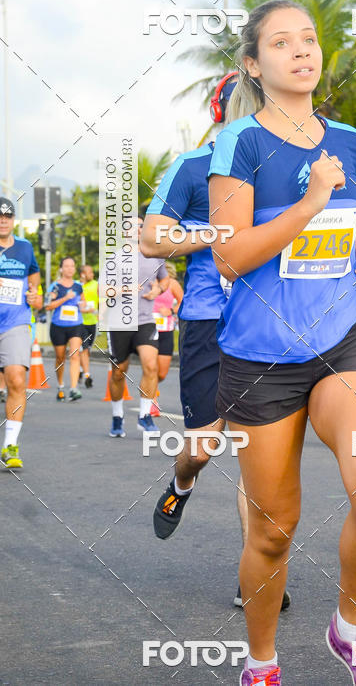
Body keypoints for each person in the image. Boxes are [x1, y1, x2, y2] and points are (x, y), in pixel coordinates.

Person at [207, 0, 356, 685]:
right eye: (281, 43)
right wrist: (310, 202)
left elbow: (335, 236)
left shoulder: (347, 139)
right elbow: (230, 257)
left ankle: (351, 627)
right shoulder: (240, 144)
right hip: (260, 359)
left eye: (310, 39)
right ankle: (261, 663)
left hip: (342, 338)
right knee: (272, 531)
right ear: (254, 66)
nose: (301, 51)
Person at [142, 72, 291, 612]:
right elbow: (152, 238)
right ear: (221, 111)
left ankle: (259, 572)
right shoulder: (190, 168)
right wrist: (216, 233)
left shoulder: (282, 166)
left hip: (264, 321)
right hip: (207, 320)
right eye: (246, 102)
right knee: (202, 449)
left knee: (259, 454)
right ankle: (180, 486)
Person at [104, 217, 169, 437]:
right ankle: (117, 416)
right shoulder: (114, 258)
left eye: (141, 225)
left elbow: (165, 280)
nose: (137, 229)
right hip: (119, 322)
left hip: (145, 320)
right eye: (132, 225)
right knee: (118, 372)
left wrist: (158, 291)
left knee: (150, 366)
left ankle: (144, 416)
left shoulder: (154, 255)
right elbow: (103, 291)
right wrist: (125, 289)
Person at [0, 196, 43, 468]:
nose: (2, 220)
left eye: (7, 215)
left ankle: (10, 446)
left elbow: (34, 280)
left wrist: (35, 297)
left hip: (15, 322)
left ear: (13, 220)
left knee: (17, 379)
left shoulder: (25, 248)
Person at [46, 257, 85, 402]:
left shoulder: (78, 286)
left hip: (75, 325)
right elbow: (48, 306)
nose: (70, 269)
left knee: (74, 355)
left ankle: (74, 388)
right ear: (61, 268)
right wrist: (65, 298)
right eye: (67, 266)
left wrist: (87, 308)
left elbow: (83, 303)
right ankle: (61, 385)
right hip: (58, 326)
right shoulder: (55, 287)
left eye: (72, 266)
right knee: (60, 357)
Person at [152, 262, 183, 386]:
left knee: (161, 374)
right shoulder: (147, 282)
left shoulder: (172, 283)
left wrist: (170, 311)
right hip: (148, 330)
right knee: (150, 369)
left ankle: (150, 389)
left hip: (166, 330)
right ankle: (150, 397)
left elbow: (183, 302)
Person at [79, 264, 98, 388]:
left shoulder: (96, 285)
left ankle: (81, 370)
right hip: (80, 323)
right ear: (83, 274)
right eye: (90, 272)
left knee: (87, 350)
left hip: (92, 322)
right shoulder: (77, 286)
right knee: (84, 349)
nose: (92, 274)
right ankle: (87, 375)